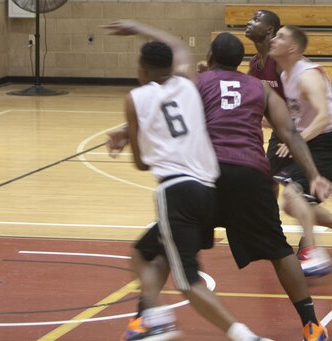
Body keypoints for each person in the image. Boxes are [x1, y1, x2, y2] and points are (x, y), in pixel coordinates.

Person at [107, 22, 332, 341]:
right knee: (279, 250)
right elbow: (290, 134)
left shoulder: (196, 83)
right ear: (240, 61)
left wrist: (124, 132)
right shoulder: (260, 88)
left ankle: (145, 319)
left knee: (168, 246)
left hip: (206, 176)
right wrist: (314, 175)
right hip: (251, 174)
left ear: (210, 57)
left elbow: (164, 110)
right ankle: (311, 323)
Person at [110, 33, 273, 341]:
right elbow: (181, 49)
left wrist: (130, 135)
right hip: (207, 191)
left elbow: (142, 163)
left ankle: (243, 336)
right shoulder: (188, 85)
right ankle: (152, 320)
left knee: (187, 280)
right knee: (143, 252)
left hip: (176, 191)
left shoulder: (135, 98)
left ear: (142, 70)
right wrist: (138, 27)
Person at [269, 25, 332, 277]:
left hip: (330, 143)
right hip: (314, 142)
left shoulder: (307, 76)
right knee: (292, 204)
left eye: (280, 37)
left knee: (293, 196)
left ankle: (312, 252)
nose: (273, 40)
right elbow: (295, 116)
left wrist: (295, 141)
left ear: (292, 48)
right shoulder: (286, 76)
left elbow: (323, 117)